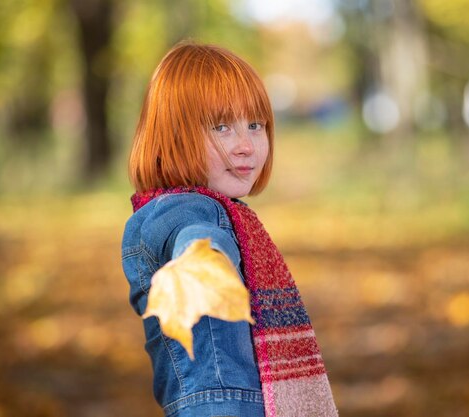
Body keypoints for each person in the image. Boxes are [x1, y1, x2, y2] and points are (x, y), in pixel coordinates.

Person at [121, 41, 338, 417]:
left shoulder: (208, 209)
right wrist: (201, 258)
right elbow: (196, 235)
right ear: (173, 136)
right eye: (222, 127)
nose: (245, 145)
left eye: (255, 125)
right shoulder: (186, 210)